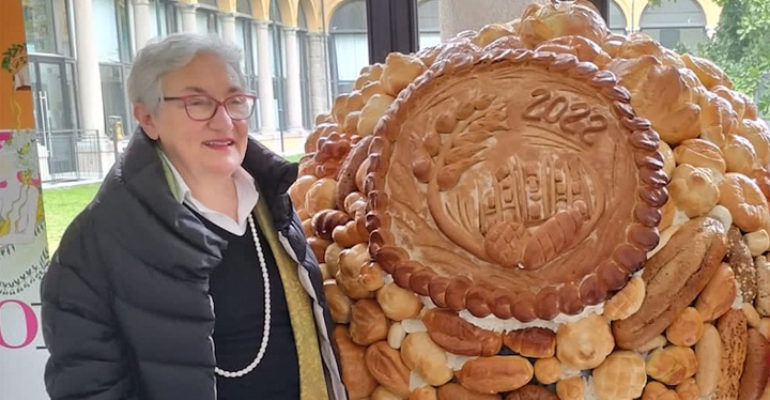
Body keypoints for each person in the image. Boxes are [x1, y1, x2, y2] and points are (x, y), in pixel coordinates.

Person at [40, 33, 346, 400]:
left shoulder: (273, 201)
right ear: (147, 118)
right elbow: (87, 388)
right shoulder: (94, 245)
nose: (224, 122)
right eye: (197, 103)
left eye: (234, 101)